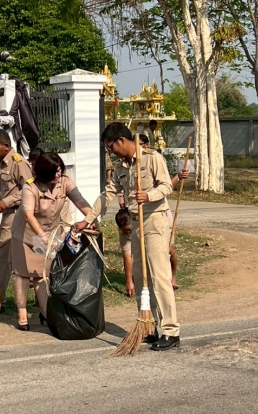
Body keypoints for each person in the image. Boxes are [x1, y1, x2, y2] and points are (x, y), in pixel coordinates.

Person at [74, 122, 180, 350]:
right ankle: (148, 326)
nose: (110, 152)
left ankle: (170, 331)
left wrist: (148, 196)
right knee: (141, 278)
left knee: (159, 276)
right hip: (135, 224)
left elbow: (166, 187)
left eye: (110, 147)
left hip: (154, 220)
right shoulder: (122, 168)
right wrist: (88, 219)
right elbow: (107, 194)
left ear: (121, 140)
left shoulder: (152, 158)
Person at [12, 152, 92, 330]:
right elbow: (28, 215)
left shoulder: (64, 182)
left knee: (42, 275)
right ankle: (22, 313)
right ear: (44, 171)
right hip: (25, 236)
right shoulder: (30, 187)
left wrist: (91, 219)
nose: (58, 174)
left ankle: (45, 312)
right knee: (23, 273)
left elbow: (80, 200)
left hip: (50, 234)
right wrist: (44, 238)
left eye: (60, 170)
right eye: (54, 171)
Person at [0, 129, 32, 316]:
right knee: (6, 257)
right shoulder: (1, 164)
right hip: (6, 215)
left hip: (19, 215)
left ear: (6, 146)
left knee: (9, 256)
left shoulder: (19, 163)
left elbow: (29, 190)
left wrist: (7, 202)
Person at [140, 134, 189, 289]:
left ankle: (172, 277)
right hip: (142, 215)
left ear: (146, 145)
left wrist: (178, 177)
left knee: (169, 249)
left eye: (140, 144)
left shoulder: (154, 160)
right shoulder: (132, 165)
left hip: (162, 212)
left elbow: (167, 186)